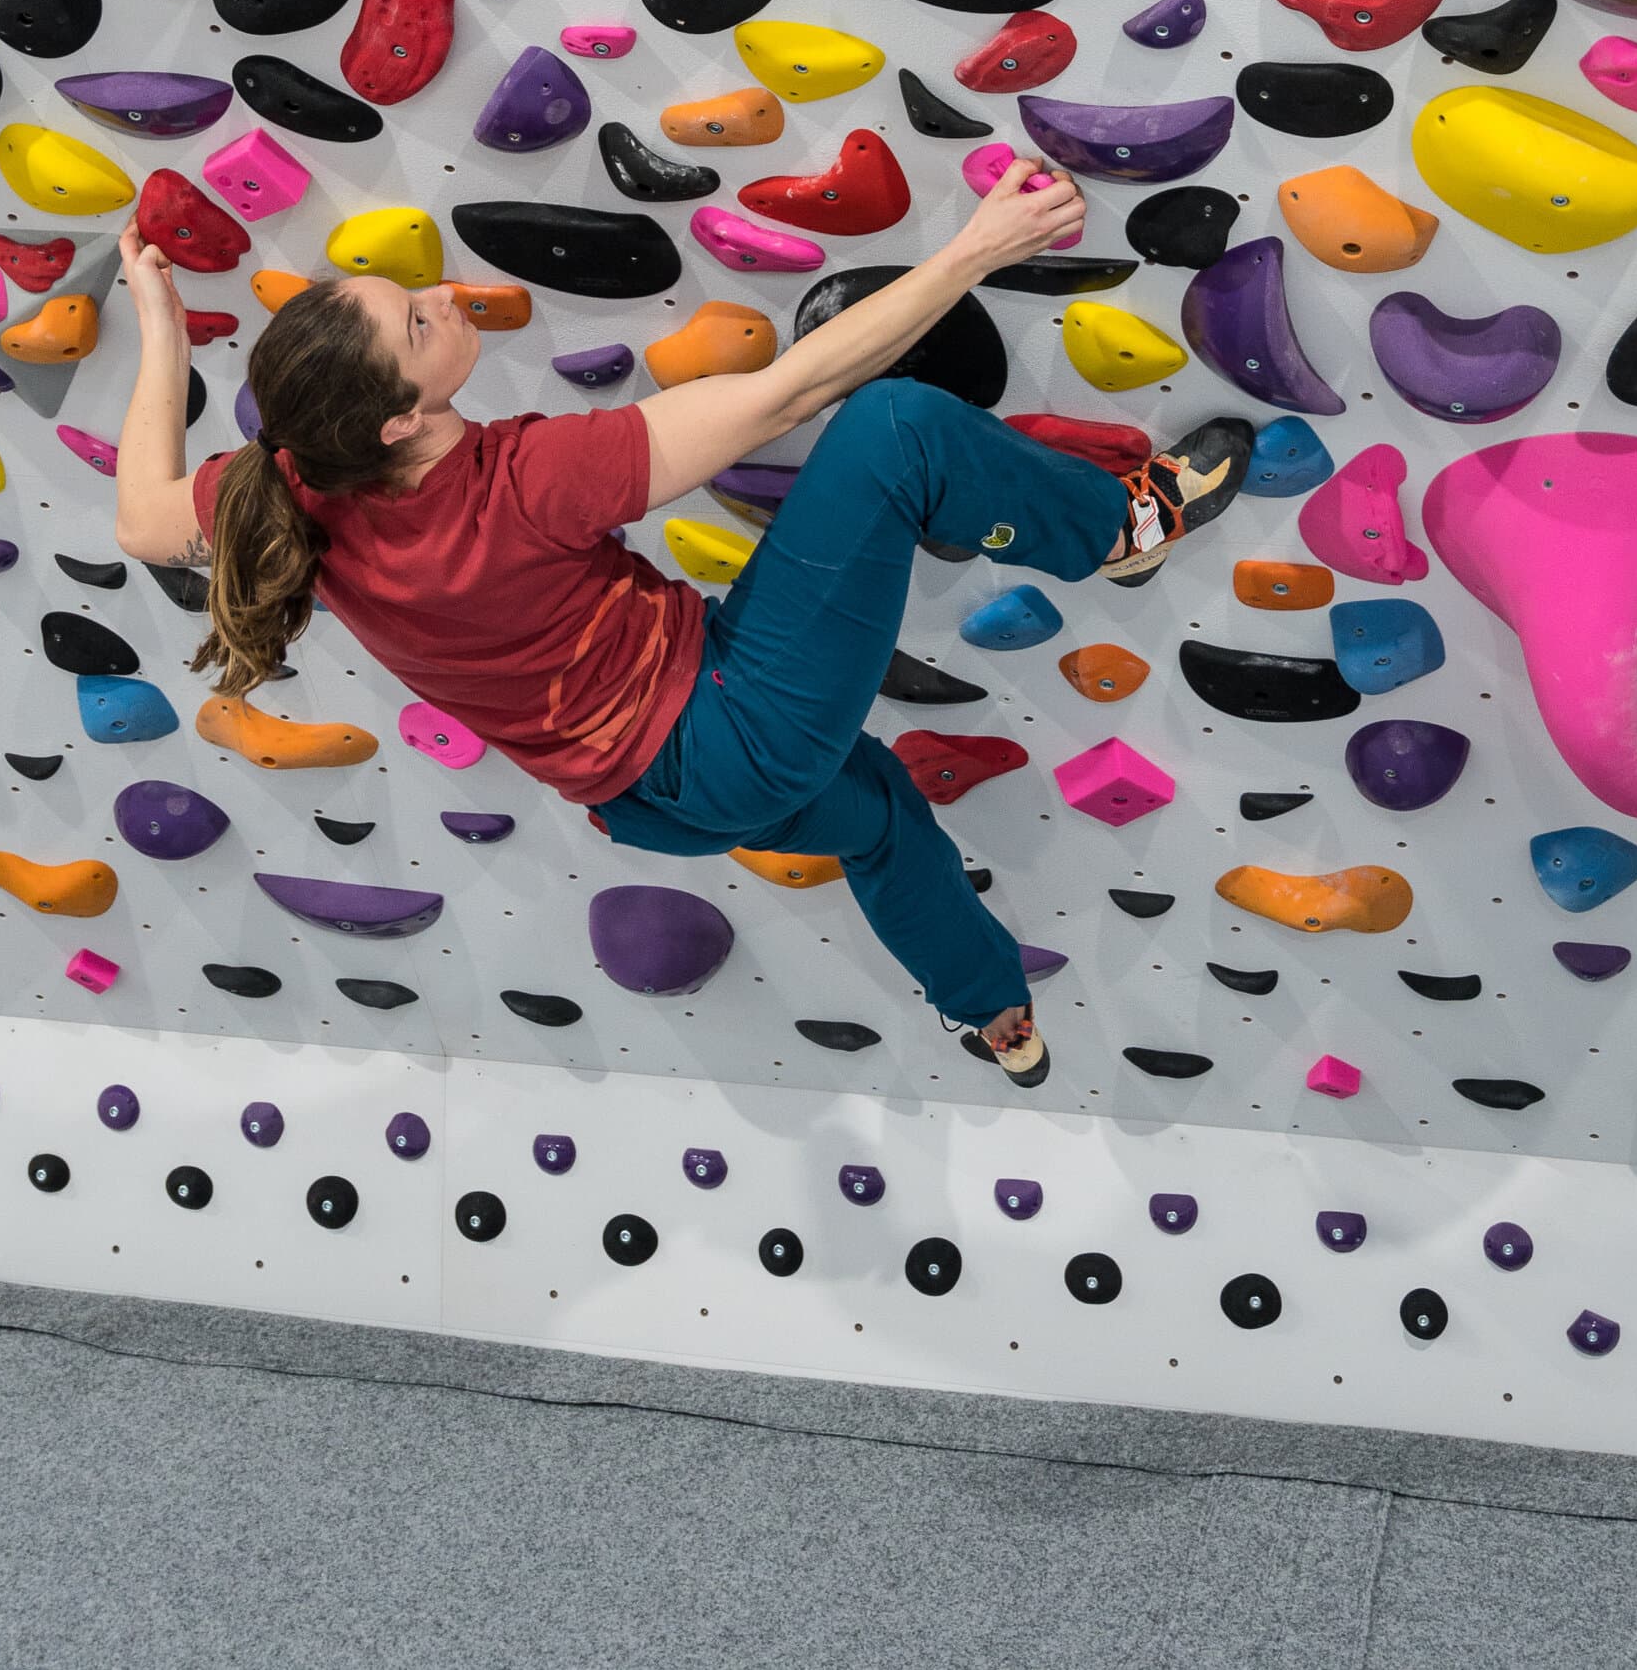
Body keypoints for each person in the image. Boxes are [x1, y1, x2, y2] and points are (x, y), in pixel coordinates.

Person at [112, 158, 1250, 1086]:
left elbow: (137, 519)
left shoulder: (285, 486)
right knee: (898, 426)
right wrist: (977, 249)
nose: (447, 297)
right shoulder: (527, 476)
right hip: (730, 725)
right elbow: (795, 392)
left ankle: (992, 1014)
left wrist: (158, 329)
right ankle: (1118, 526)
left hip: (646, 809)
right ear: (404, 418)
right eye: (418, 321)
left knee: (883, 818)